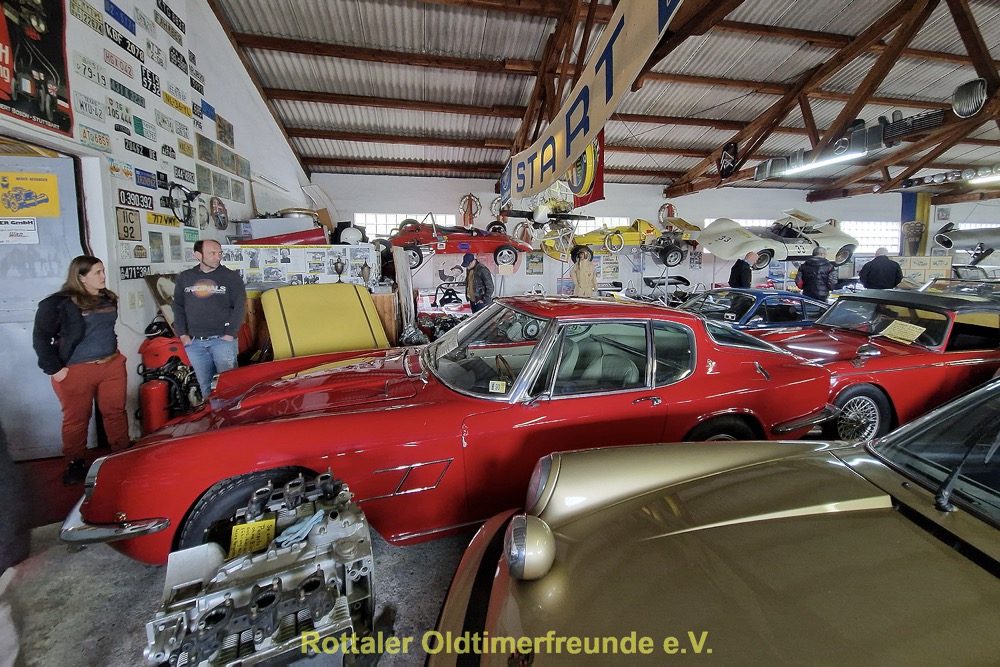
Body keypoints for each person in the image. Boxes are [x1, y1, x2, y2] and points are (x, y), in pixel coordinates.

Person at [33, 256, 130, 485]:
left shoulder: (108, 298)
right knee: (77, 419)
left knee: (115, 413)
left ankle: (123, 456)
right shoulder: (59, 303)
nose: (103, 276)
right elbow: (41, 337)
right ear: (81, 277)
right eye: (97, 272)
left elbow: (106, 330)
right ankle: (75, 462)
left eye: (103, 271)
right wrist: (54, 369)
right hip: (76, 369)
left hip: (111, 365)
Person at [173, 239, 247, 398]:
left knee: (229, 388)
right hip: (194, 343)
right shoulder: (185, 277)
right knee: (205, 387)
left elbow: (240, 306)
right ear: (198, 255)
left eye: (219, 253)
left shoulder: (231, 277)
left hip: (222, 341)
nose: (217, 257)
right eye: (212, 253)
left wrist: (230, 334)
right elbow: (178, 307)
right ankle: (211, 412)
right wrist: (183, 335)